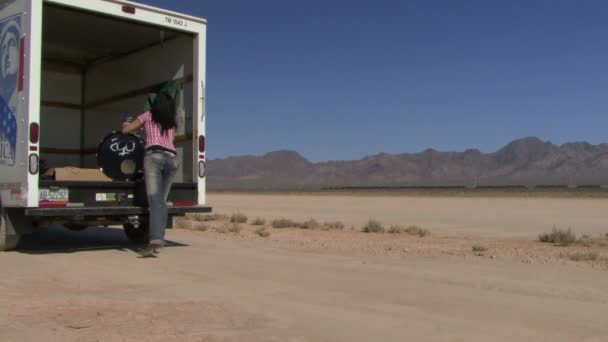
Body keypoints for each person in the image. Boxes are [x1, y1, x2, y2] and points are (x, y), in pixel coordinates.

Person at [122, 92, 178, 257]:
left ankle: (155, 240)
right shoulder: (172, 123)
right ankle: (158, 239)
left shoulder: (147, 115)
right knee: (162, 202)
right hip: (172, 160)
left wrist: (126, 121)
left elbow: (126, 131)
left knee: (155, 202)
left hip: (154, 157)